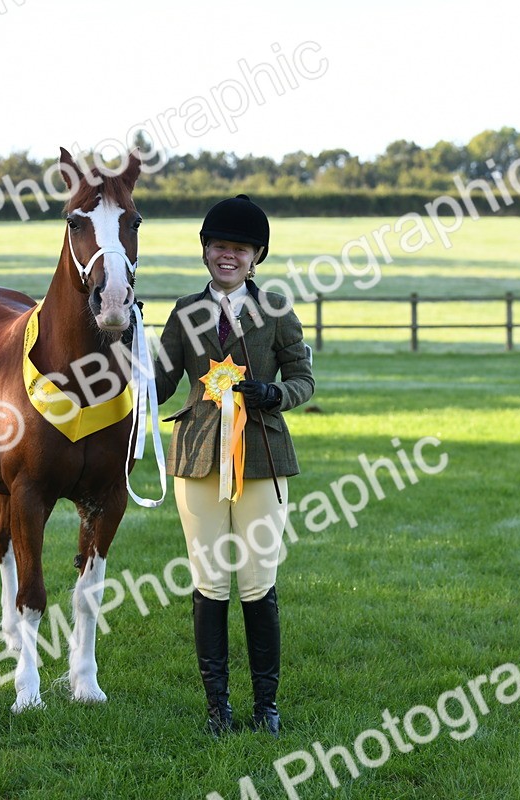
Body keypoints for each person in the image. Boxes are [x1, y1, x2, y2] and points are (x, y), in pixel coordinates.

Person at [154, 194, 315, 736]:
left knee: (257, 581)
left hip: (263, 456)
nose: (228, 255)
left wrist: (274, 393)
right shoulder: (183, 313)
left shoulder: (275, 309)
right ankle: (217, 706)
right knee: (209, 581)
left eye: (240, 248)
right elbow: (160, 382)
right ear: (205, 250)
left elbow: (304, 378)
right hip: (198, 456)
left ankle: (265, 706)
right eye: (220, 245)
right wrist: (125, 356)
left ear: (256, 255)